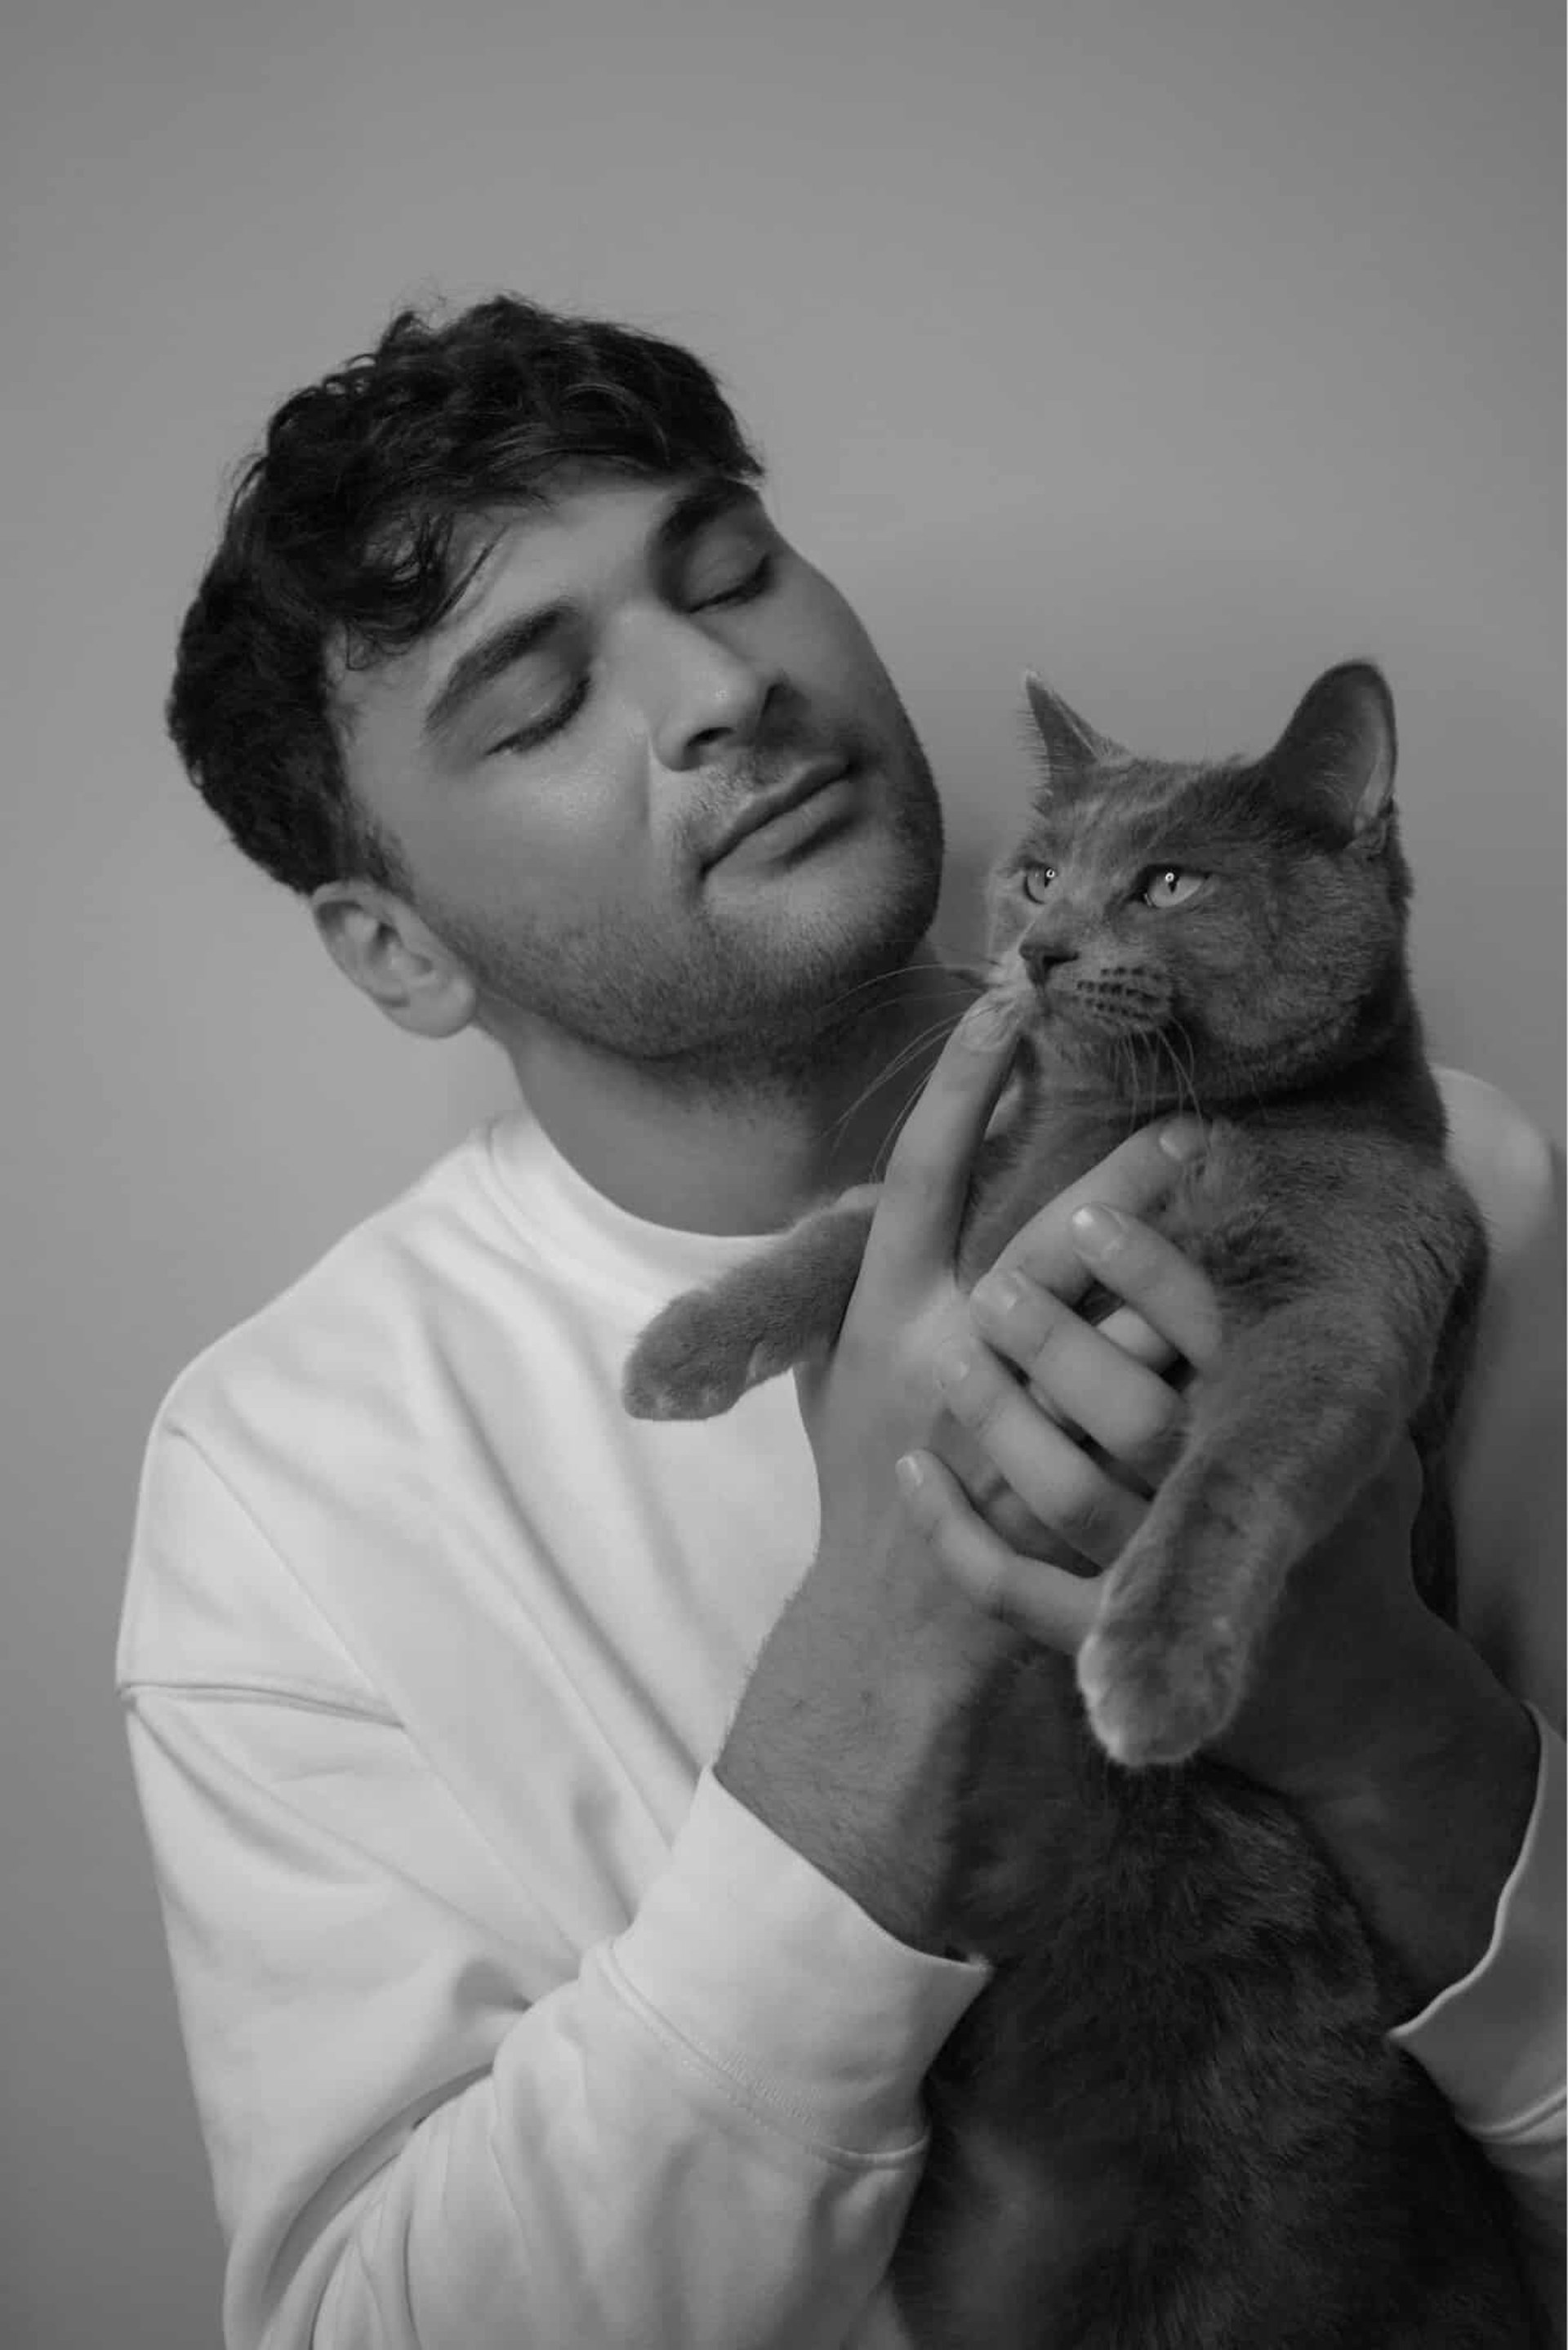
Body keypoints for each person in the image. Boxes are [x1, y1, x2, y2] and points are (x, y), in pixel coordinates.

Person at [118, 294, 1565, 2350]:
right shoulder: (286, 1477)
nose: (727, 684)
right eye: (538, 705)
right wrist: (857, 1722)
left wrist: (1381, 1710)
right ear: (397, 947)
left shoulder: (1473, 1193)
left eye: (732, 570)